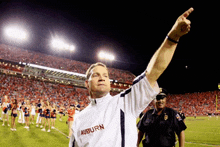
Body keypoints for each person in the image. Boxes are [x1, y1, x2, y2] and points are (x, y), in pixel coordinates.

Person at [69, 7, 194, 147]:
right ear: (87, 83)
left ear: (110, 83)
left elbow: (153, 71)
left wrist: (173, 37)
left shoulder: (125, 102)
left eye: (105, 75)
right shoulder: (80, 119)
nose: (102, 77)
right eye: (96, 75)